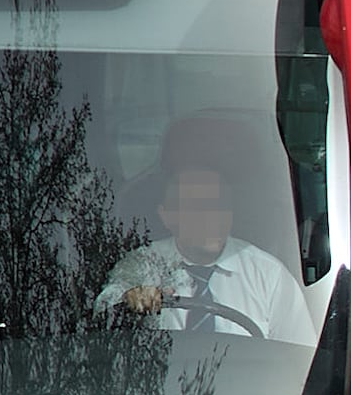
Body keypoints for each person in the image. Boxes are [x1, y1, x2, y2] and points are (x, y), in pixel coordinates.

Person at [102, 116, 309, 341]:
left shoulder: (268, 275)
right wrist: (130, 297)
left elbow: (300, 355)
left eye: (219, 205)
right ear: (168, 216)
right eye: (197, 207)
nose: (212, 217)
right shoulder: (143, 264)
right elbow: (103, 310)